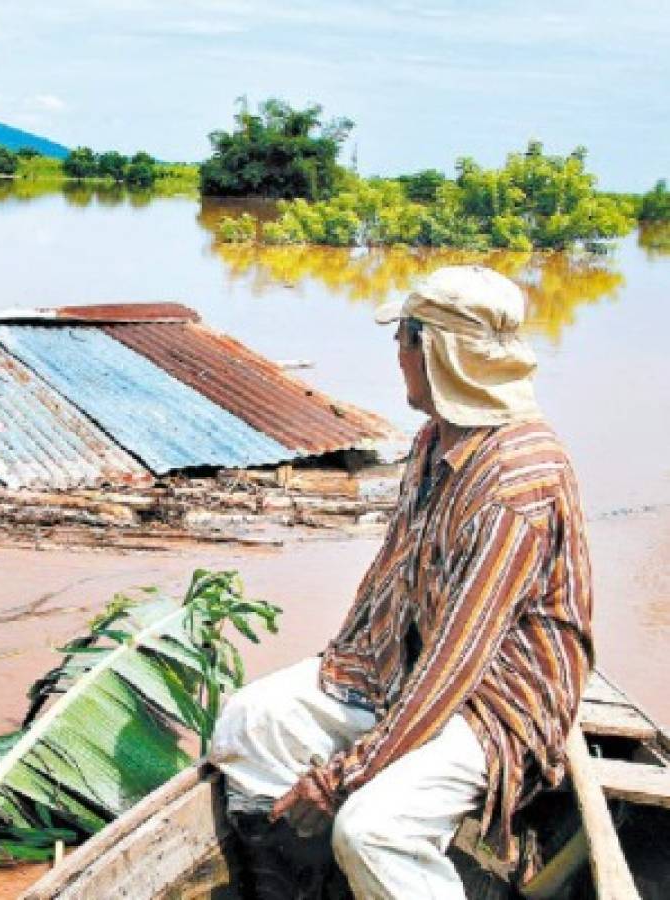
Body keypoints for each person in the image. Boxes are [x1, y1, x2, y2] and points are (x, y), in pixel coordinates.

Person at [209, 265, 594, 899]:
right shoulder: (431, 441)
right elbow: (390, 579)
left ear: (434, 350)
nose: (396, 354)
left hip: (497, 698)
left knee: (372, 830)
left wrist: (343, 778)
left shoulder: (515, 486)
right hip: (411, 665)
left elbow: (458, 665)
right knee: (252, 720)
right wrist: (342, 665)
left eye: (405, 337)